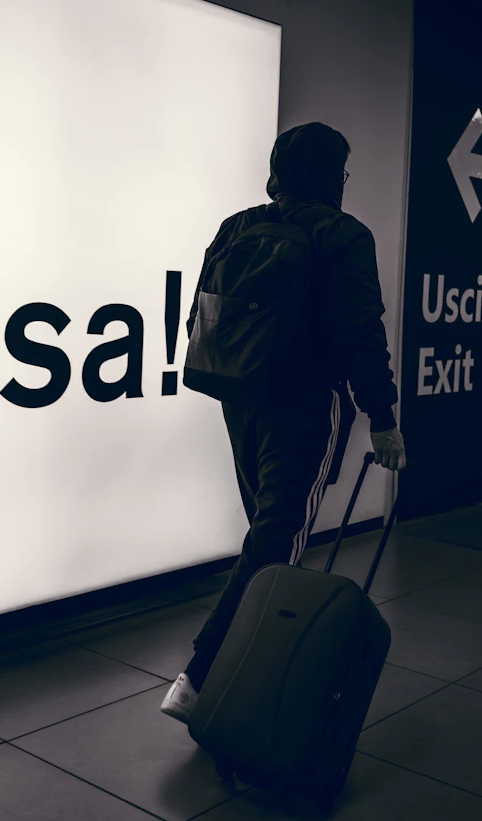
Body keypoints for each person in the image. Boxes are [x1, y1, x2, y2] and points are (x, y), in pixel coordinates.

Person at [160, 121, 406, 724]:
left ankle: (241, 659)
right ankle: (207, 672)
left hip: (240, 397)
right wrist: (383, 416)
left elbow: (200, 312)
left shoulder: (236, 227)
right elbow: (360, 332)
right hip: (307, 402)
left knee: (267, 534)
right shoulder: (344, 235)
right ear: (333, 177)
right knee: (279, 539)